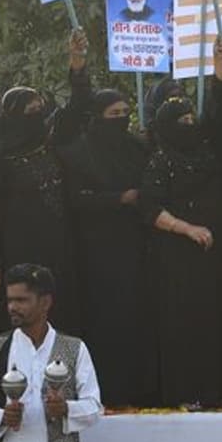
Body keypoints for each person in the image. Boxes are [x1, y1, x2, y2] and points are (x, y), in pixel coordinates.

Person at [140, 37, 222, 409]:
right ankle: (183, 392)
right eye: (182, 121)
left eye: (192, 118)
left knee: (212, 321)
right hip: (178, 258)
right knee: (182, 323)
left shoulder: (205, 150)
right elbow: (151, 208)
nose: (190, 125)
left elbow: (220, 114)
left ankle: (211, 391)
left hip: (211, 254)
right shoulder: (160, 160)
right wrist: (188, 229)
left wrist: (219, 66)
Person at [57, 52, 149, 407]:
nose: (121, 119)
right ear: (98, 117)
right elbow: (76, 199)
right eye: (114, 114)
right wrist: (118, 199)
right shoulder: (79, 152)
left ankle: (136, 388)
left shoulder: (136, 147)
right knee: (103, 319)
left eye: (126, 113)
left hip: (133, 245)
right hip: (95, 249)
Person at [0, 32, 91, 336]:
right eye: (29, 110)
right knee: (29, 312)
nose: (37, 114)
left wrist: (77, 62)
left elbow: (78, 105)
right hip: (22, 248)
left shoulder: (50, 140)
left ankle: (66, 361)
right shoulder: (0, 158)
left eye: (39, 108)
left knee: (63, 308)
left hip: (60, 242)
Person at [0, 263, 102, 442]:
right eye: (10, 300)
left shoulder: (74, 348)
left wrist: (66, 409)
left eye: (21, 300)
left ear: (45, 302)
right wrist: (2, 417)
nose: (12, 307)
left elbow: (94, 406)